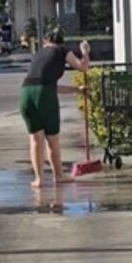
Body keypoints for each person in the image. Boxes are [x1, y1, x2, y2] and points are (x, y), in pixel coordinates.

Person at [18, 27, 90, 188]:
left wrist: (76, 90)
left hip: (25, 93)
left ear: (46, 41)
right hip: (44, 96)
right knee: (52, 139)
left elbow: (48, 85)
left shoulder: (39, 53)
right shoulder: (62, 50)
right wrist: (84, 52)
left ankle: (38, 179)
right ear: (61, 41)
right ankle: (58, 175)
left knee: (35, 139)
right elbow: (82, 67)